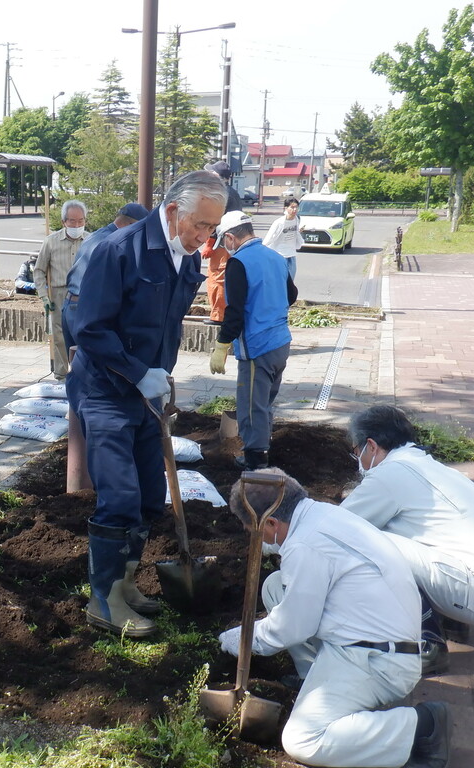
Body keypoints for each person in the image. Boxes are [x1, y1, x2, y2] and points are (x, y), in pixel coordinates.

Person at [68, 170, 225, 636]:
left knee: (149, 498)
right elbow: (89, 329)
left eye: (213, 228)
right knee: (119, 497)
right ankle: (103, 602)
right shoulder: (117, 251)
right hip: (105, 393)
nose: (206, 236)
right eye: (201, 225)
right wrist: (139, 373)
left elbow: (168, 326)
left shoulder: (189, 261)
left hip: (147, 398)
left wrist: (161, 379)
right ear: (174, 211)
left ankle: (125, 584)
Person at [220, 469, 451, 768]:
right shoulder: (321, 514)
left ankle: (421, 727)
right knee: (277, 587)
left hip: (380, 661)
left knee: (302, 740)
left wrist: (245, 639)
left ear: (271, 523)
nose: (257, 539)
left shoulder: (305, 547)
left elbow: (291, 628)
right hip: (382, 634)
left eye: (255, 531)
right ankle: (314, 679)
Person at [340, 404, 474, 668]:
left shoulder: (390, 475)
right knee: (404, 529)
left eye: (356, 450)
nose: (357, 459)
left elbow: (338, 527)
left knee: (368, 541)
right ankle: (452, 620)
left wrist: (270, 544)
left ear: (370, 446)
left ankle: (427, 644)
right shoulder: (423, 464)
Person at [208, 211, 296, 470]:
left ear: (232, 238)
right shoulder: (276, 257)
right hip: (281, 342)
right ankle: (263, 447)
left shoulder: (239, 262)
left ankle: (256, 462)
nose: (224, 248)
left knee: (250, 406)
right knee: (265, 401)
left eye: (224, 242)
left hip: (258, 347)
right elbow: (291, 294)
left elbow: (234, 311)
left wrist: (222, 345)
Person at [60, 202, 148, 353]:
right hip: (85, 310)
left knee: (76, 363)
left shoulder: (96, 235)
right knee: (92, 368)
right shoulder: (114, 243)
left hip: (70, 306)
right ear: (132, 224)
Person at [34, 199, 89, 379]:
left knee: (85, 334)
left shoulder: (91, 241)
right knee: (59, 336)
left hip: (84, 294)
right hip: (58, 294)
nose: (77, 225)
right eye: (72, 221)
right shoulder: (50, 242)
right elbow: (39, 271)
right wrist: (44, 296)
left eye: (80, 221)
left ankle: (83, 373)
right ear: (64, 222)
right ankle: (61, 375)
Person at [199, 161, 245, 326]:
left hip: (222, 241)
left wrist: (210, 242)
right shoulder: (232, 192)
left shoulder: (222, 194)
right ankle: (221, 313)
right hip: (232, 241)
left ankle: (218, 315)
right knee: (224, 277)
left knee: (218, 277)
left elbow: (217, 221)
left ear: (218, 176)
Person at [264, 197, 303, 279]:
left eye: (296, 207)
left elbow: (296, 233)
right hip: (280, 255)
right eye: (292, 207)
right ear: (286, 208)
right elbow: (269, 238)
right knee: (280, 280)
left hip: (291, 255)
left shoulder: (296, 220)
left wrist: (299, 232)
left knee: (290, 282)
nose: (295, 209)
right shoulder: (279, 223)